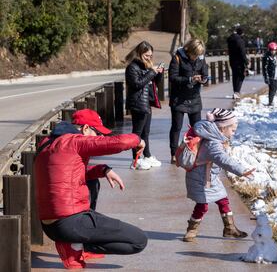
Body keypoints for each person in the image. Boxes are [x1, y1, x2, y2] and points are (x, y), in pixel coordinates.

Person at [35, 109, 148, 269]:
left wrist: (102, 170)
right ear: (85, 128)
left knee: (93, 182)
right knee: (139, 241)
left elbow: (64, 176)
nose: (100, 138)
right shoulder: (75, 141)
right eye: (98, 133)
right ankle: (78, 244)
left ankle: (74, 243)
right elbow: (120, 142)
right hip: (71, 221)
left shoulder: (47, 143)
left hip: (50, 226)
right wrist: (138, 140)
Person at [182, 108, 255, 242]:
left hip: (209, 177)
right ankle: (191, 231)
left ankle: (230, 228)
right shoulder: (213, 143)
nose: (233, 133)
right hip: (200, 179)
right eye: (232, 130)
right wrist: (241, 170)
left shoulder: (213, 137)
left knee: (223, 200)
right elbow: (222, 159)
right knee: (202, 205)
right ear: (222, 128)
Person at [168, 38, 208, 164]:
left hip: (194, 97)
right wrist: (189, 79)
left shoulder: (201, 58)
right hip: (179, 98)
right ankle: (174, 154)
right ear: (188, 50)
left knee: (197, 129)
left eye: (198, 55)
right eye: (194, 54)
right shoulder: (177, 57)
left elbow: (205, 73)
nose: (195, 57)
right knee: (176, 127)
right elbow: (173, 78)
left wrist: (203, 79)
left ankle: (195, 151)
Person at [125, 41, 163, 170]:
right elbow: (136, 84)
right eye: (146, 55)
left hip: (146, 103)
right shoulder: (132, 67)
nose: (149, 58)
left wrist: (159, 73)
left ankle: (147, 156)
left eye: (150, 56)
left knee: (145, 133)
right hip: (137, 103)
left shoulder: (145, 66)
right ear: (139, 53)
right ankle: (135, 160)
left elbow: (153, 83)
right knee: (137, 134)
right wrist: (151, 72)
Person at [227, 27, 249, 99]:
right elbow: (242, 52)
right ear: (242, 33)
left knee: (235, 76)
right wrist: (246, 61)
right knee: (240, 76)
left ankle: (235, 91)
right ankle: (237, 92)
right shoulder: (240, 41)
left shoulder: (230, 40)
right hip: (239, 61)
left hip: (232, 60)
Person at [262, 42, 277, 106]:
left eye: (275, 50)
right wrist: (266, 77)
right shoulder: (266, 57)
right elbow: (265, 68)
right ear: (269, 49)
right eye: (272, 50)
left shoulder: (275, 57)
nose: (273, 51)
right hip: (270, 75)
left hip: (275, 75)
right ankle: (270, 102)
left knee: (275, 88)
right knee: (272, 89)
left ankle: (271, 101)